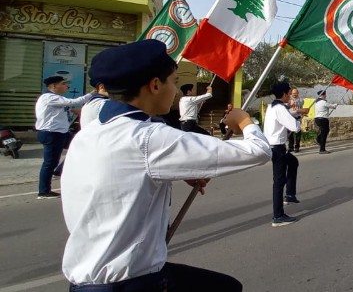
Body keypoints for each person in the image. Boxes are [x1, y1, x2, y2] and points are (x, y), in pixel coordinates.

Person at [61, 39, 271, 291]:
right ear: (155, 85)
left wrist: (174, 171)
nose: (177, 92)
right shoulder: (149, 138)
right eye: (173, 82)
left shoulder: (91, 131)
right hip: (131, 282)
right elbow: (258, 151)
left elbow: (120, 178)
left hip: (86, 279)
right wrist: (245, 120)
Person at [34, 76, 93, 199]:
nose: (67, 86)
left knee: (80, 147)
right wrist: (92, 94)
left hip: (62, 132)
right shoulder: (49, 97)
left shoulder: (57, 99)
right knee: (49, 162)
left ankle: (59, 170)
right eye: (64, 83)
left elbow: (69, 108)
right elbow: (73, 102)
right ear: (54, 86)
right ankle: (44, 191)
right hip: (52, 133)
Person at [264, 82, 302, 227]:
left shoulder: (273, 106)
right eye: (289, 94)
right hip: (277, 148)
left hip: (277, 147)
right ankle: (278, 216)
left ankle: (290, 194)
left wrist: (297, 113)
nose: (290, 97)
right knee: (278, 181)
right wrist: (298, 120)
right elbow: (294, 127)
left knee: (293, 162)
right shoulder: (279, 108)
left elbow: (288, 113)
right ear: (285, 94)